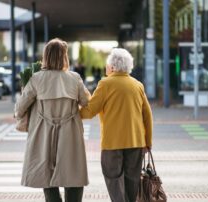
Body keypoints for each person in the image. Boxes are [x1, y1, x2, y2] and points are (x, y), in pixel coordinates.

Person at [14, 38, 90, 202]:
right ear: (64, 57)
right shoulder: (74, 78)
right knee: (73, 174)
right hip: (70, 133)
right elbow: (87, 103)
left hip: (43, 133)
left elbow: (20, 108)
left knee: (46, 175)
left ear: (46, 56)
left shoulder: (36, 79)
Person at [80, 48, 153, 202]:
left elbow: (90, 111)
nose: (106, 68)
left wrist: (72, 113)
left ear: (112, 67)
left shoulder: (105, 84)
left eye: (107, 65)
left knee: (114, 182)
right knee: (132, 182)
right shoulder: (137, 85)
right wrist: (148, 143)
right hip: (136, 143)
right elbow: (147, 115)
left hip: (112, 145)